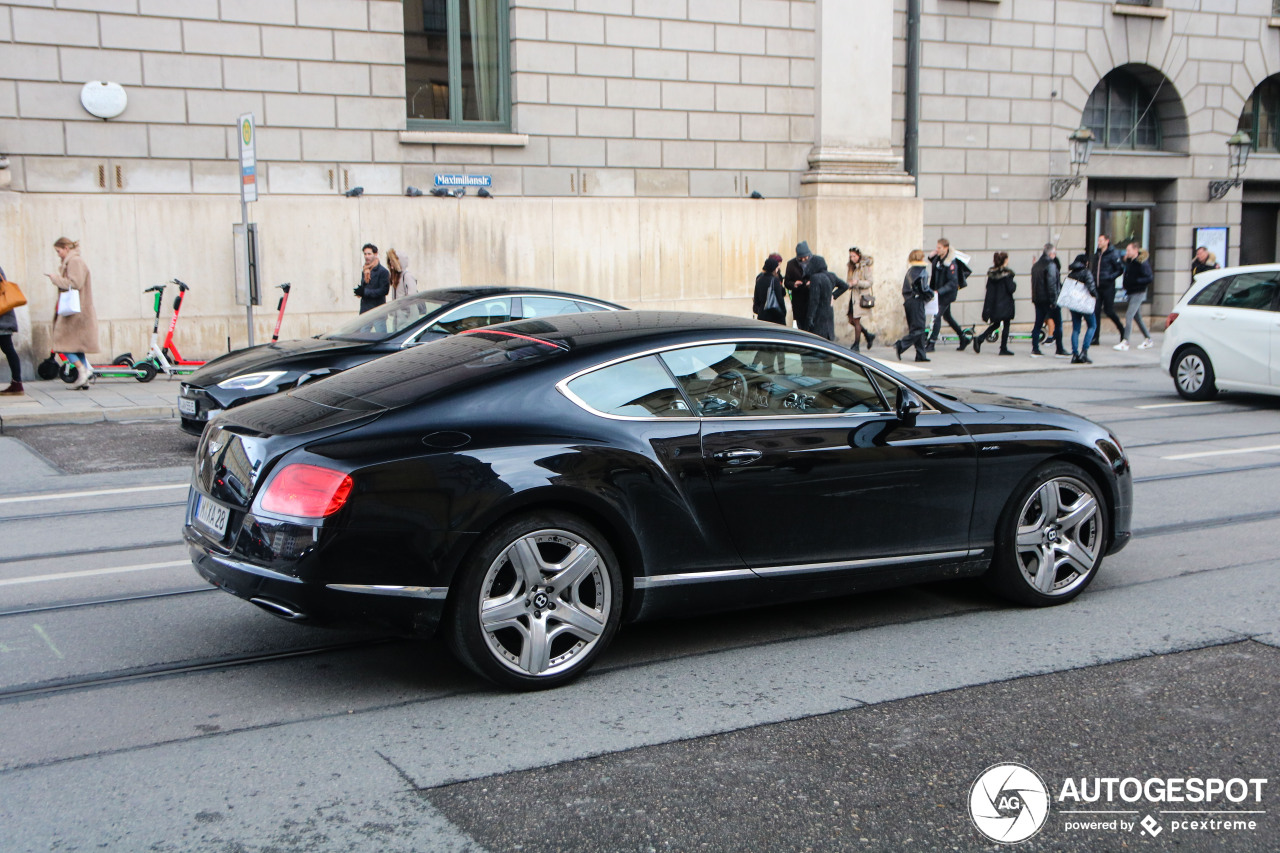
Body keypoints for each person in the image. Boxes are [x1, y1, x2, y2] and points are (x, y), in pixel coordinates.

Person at [46, 237, 99, 389]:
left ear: (66, 248)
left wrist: (56, 279)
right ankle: (84, 377)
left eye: (59, 251)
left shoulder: (74, 261)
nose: (58, 254)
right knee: (76, 345)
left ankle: (83, 370)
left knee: (61, 344)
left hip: (75, 312)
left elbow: (75, 283)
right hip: (76, 311)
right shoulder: (72, 261)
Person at [926, 238, 972, 351]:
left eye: (939, 248)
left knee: (936, 317)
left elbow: (953, 283)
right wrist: (930, 256)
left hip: (947, 295)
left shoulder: (951, 263)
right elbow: (936, 267)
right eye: (937, 247)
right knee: (948, 317)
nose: (937, 249)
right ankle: (963, 337)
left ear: (945, 248)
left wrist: (939, 291)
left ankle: (931, 344)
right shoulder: (938, 258)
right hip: (939, 293)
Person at [972, 252, 1015, 356]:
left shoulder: (992, 274)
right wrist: (1014, 283)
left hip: (995, 303)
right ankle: (1003, 348)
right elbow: (1011, 288)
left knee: (996, 323)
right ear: (1005, 260)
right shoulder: (1007, 274)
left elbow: (988, 289)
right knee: (1006, 324)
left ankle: (980, 338)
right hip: (1005, 303)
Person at [893, 249, 932, 362]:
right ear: (921, 258)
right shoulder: (922, 271)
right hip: (917, 301)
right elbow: (924, 288)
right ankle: (901, 344)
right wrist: (931, 295)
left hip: (909, 301)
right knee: (919, 328)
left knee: (915, 328)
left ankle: (921, 354)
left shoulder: (910, 271)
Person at [1029, 243, 1066, 358]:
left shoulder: (1036, 265)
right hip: (1049, 300)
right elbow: (1052, 284)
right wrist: (1054, 301)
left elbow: (1034, 283)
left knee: (1038, 324)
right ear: (1051, 254)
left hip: (1038, 299)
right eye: (1054, 253)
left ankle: (1035, 348)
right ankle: (1059, 349)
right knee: (1058, 324)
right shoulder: (1051, 265)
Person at [1115, 242, 1154, 350]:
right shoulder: (1130, 261)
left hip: (1138, 292)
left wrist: (1137, 281)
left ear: (1135, 251)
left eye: (1129, 250)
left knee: (1129, 315)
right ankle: (1148, 339)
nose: (1127, 252)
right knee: (1137, 317)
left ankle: (1126, 341)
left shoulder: (1142, 262)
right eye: (1127, 250)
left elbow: (1149, 277)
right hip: (1131, 291)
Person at [802, 255, 849, 342]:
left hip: (818, 315)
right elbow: (845, 286)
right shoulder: (831, 276)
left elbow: (814, 300)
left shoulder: (815, 278)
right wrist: (833, 295)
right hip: (828, 312)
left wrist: (810, 317)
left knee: (817, 342)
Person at [1090, 233, 1125, 346]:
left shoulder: (1112, 254)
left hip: (1108, 287)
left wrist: (1110, 277)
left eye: (1101, 241)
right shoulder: (1097, 254)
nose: (1099, 243)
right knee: (1096, 312)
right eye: (1098, 241)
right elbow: (1094, 269)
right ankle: (1095, 337)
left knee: (1109, 311)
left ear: (1107, 241)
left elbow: (1119, 270)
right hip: (1097, 287)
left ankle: (1122, 329)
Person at [1065, 253, 1099, 364]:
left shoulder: (1071, 274)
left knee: (1076, 329)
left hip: (1073, 304)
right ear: (1086, 262)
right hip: (1084, 304)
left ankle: (1075, 354)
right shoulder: (1086, 273)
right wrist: (1096, 296)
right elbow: (1091, 288)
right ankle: (1084, 352)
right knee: (1092, 325)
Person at [845, 247, 876, 352]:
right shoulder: (851, 267)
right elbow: (849, 280)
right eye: (850, 256)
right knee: (851, 319)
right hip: (853, 297)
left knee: (856, 320)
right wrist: (849, 284)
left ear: (859, 255)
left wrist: (857, 282)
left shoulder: (864, 267)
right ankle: (868, 335)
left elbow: (870, 282)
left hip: (860, 297)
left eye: (854, 256)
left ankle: (856, 344)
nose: (852, 258)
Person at [0, 263, 21, 395]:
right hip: (4, 317)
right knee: (8, 348)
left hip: (2, 318)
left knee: (8, 348)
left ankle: (17, 383)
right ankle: (17, 383)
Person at [353, 243, 390, 313]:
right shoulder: (365, 270)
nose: (366, 256)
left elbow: (384, 290)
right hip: (365, 310)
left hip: (377, 311)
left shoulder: (383, 271)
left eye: (369, 254)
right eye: (365, 254)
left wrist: (365, 292)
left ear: (375, 254)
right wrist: (359, 291)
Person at [753, 253, 786, 325]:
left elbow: (756, 299)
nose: (778, 269)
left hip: (762, 315)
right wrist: (783, 312)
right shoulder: (775, 280)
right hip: (775, 314)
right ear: (774, 268)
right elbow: (780, 298)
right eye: (777, 267)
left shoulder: (759, 279)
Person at [785, 241, 812, 331]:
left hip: (811, 298)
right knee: (801, 327)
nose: (803, 260)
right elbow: (786, 282)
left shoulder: (815, 262)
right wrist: (793, 284)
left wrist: (812, 283)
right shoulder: (791, 264)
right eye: (801, 258)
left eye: (805, 257)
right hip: (799, 301)